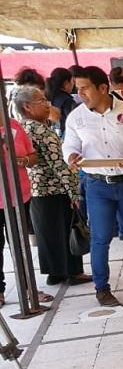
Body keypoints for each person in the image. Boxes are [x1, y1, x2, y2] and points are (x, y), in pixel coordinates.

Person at [63, 66, 123, 306]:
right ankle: (102, 288)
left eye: (85, 88)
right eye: (78, 89)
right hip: (96, 186)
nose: (80, 93)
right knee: (100, 239)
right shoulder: (76, 117)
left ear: (103, 88)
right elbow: (70, 146)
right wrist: (72, 156)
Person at [14, 86, 90, 288]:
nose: (48, 105)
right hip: (55, 189)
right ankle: (72, 272)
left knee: (47, 233)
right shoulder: (40, 130)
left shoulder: (23, 128)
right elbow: (59, 163)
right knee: (65, 230)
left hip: (37, 190)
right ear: (27, 106)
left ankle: (54, 272)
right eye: (41, 101)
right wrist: (74, 190)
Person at [0, 117, 52, 305]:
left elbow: (33, 157)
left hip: (18, 194)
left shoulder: (13, 125)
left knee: (21, 243)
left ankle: (29, 288)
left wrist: (24, 160)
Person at [45, 67, 78, 138]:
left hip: (56, 133)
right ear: (66, 83)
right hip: (67, 134)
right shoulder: (67, 100)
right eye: (72, 81)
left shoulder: (52, 97)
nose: (73, 85)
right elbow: (74, 120)